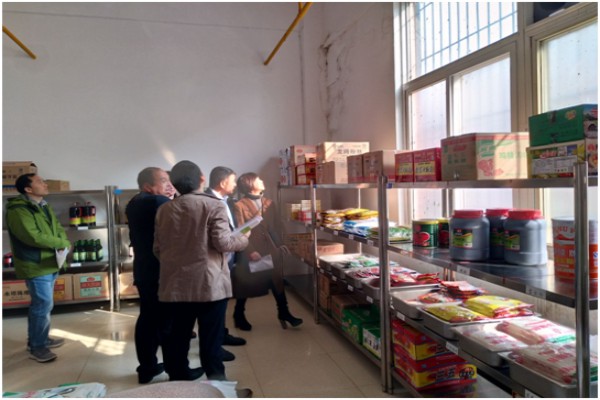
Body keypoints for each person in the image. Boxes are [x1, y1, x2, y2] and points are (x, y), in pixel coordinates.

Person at [154, 160, 249, 381]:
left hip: (175, 285)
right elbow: (224, 243)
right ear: (202, 179)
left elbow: (158, 249)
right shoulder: (213, 205)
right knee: (211, 339)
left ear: (174, 183)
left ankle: (179, 383)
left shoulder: (164, 209)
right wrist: (243, 239)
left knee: (178, 336)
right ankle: (218, 387)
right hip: (209, 283)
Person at [126, 167, 189, 384]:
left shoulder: (135, 202)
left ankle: (147, 367)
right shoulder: (157, 201)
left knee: (148, 319)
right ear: (147, 186)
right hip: (160, 272)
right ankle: (177, 371)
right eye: (163, 180)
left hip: (144, 270)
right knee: (167, 323)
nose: (169, 184)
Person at [5, 174, 71, 363]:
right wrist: (61, 243)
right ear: (28, 189)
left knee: (45, 304)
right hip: (34, 264)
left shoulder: (43, 205)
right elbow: (32, 236)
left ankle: (40, 338)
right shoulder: (18, 209)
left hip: (50, 261)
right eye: (40, 182)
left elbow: (57, 228)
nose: (45, 184)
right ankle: (37, 347)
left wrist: (63, 242)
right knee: (42, 304)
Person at [232, 172, 303, 330]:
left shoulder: (269, 202)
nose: (262, 181)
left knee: (277, 281)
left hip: (270, 249)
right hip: (251, 250)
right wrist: (250, 251)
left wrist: (281, 244)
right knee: (246, 285)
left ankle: (284, 313)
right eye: (259, 180)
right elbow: (241, 231)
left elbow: (276, 226)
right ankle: (238, 314)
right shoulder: (240, 205)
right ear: (250, 184)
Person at [205, 166, 247, 351]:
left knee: (222, 299)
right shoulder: (208, 201)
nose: (235, 185)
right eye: (233, 181)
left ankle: (222, 334)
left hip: (226, 258)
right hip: (214, 260)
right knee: (215, 303)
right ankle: (215, 343)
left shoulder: (227, 201)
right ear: (223, 183)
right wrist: (243, 240)